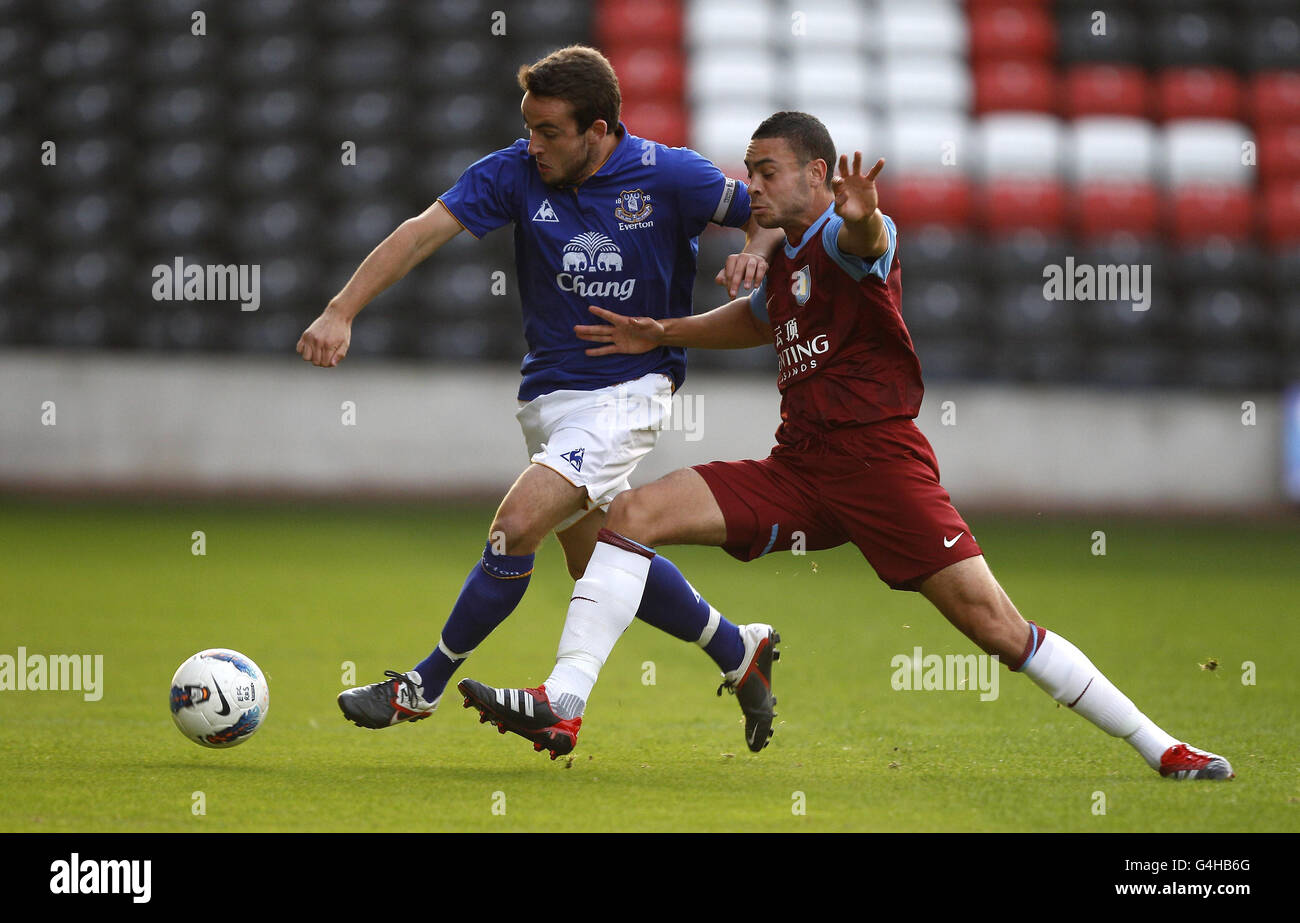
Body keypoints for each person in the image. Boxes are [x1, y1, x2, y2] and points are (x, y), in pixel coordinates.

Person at [456, 111, 1235, 782]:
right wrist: (662, 332)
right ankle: (565, 701)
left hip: (881, 468)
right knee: (629, 513)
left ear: (818, 174)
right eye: (748, 173)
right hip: (798, 467)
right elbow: (757, 319)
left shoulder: (841, 234)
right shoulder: (788, 254)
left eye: (768, 172)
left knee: (998, 628)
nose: (751, 187)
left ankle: (1161, 746)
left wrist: (861, 213)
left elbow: (870, 238)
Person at [296, 45, 784, 730]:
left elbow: (765, 210)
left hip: (630, 389)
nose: (534, 145)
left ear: (600, 129)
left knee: (515, 526)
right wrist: (341, 308)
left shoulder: (670, 174)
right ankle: (741, 648)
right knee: (603, 564)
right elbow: (418, 235)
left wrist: (753, 254)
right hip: (548, 399)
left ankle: (422, 684)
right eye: (529, 127)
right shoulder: (514, 172)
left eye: (549, 131)